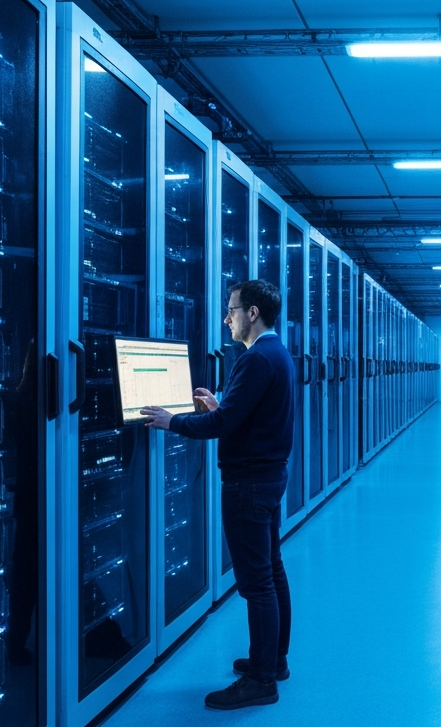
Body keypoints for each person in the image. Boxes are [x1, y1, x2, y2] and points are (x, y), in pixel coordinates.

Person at [140, 279, 295, 711]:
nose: (226, 318)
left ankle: (262, 680)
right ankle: (274, 660)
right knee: (272, 571)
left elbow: (221, 427)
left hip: (248, 485)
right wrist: (222, 404)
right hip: (268, 478)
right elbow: (244, 415)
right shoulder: (275, 354)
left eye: (231, 310)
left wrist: (174, 421)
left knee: (257, 583)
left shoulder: (256, 358)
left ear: (252, 314)